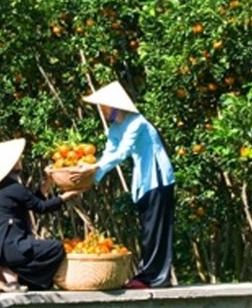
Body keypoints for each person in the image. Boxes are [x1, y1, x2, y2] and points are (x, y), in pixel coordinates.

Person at [74, 81, 176, 289]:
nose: (100, 110)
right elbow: (109, 153)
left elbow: (123, 152)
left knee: (156, 228)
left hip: (157, 176)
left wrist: (92, 170)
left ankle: (156, 278)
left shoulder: (137, 122)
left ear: (114, 105)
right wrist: (91, 177)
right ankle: (149, 275)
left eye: (102, 106)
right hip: (144, 180)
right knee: (147, 228)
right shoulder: (116, 127)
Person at [0, 138, 81, 292]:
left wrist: (48, 181)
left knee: (45, 252)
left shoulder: (3, 188)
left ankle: (8, 281)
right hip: (12, 247)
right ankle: (16, 280)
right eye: (17, 159)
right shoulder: (13, 188)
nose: (20, 160)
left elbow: (33, 201)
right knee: (55, 248)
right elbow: (41, 207)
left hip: (2, 249)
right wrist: (66, 196)